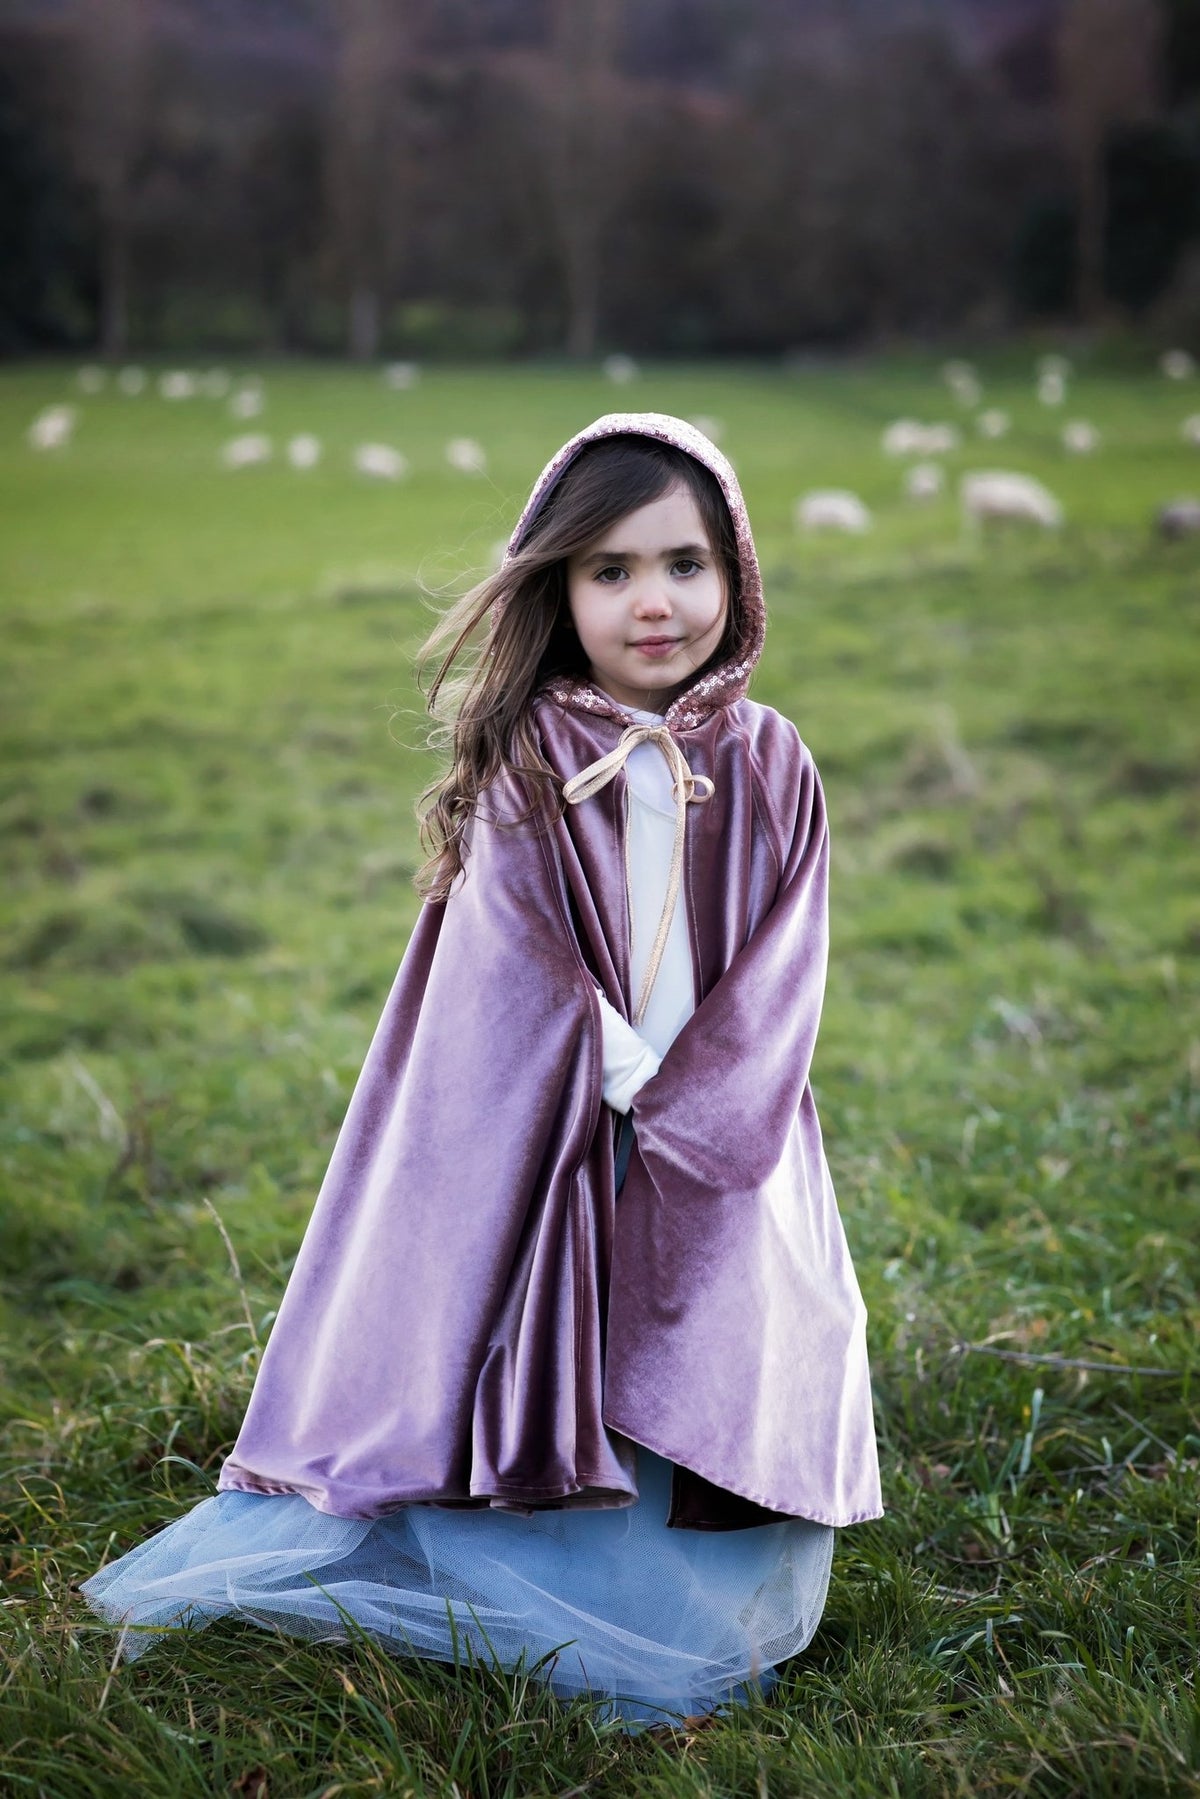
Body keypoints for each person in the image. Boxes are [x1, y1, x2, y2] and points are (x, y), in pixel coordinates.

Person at [80, 412, 883, 1727]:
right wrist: (620, 1081)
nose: (653, 602)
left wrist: (703, 1118)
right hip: (565, 1128)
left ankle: (690, 1590)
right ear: (561, 592)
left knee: (713, 1329)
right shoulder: (534, 763)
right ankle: (546, 1576)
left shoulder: (773, 760)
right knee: (561, 1327)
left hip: (727, 1138)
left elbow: (788, 958)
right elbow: (513, 959)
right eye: (610, 572)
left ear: (735, 572)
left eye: (684, 563)